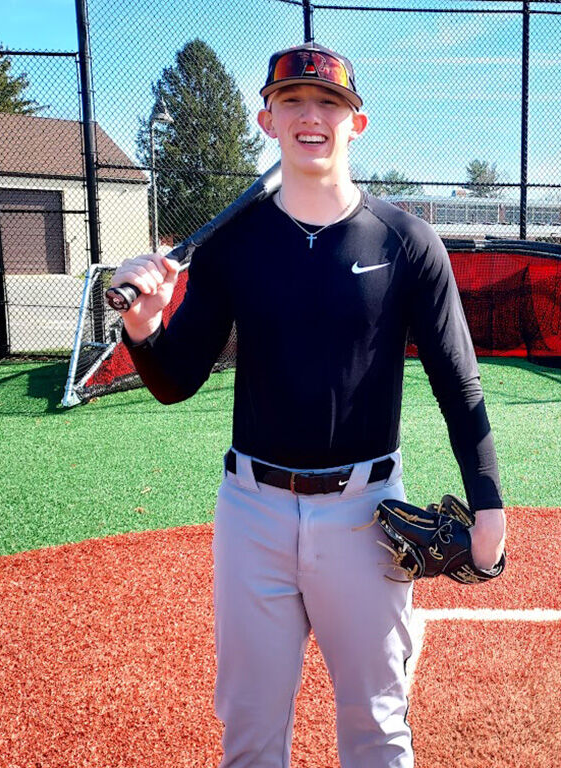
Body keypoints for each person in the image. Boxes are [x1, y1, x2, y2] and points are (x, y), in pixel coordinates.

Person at [110, 42, 506, 768]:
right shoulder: (233, 244)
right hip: (251, 513)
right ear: (267, 120)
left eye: (329, 103)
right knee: (250, 732)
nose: (310, 116)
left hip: (365, 512)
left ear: (357, 123)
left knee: (377, 726)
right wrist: (145, 326)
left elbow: (459, 384)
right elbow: (176, 379)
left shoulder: (407, 242)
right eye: (291, 101)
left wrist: (489, 505)